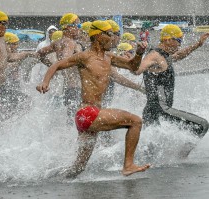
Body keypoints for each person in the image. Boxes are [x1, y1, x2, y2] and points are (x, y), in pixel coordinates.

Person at [37, 20, 150, 178]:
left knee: (78, 168)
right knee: (136, 121)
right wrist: (45, 82)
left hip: (89, 116)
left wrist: (138, 53)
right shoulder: (84, 56)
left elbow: (133, 66)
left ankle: (47, 176)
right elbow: (56, 65)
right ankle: (128, 165)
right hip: (87, 113)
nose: (113, 38)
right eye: (109, 34)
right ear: (97, 36)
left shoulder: (109, 57)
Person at [135, 24, 209, 139]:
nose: (180, 44)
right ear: (168, 40)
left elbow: (179, 55)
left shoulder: (163, 55)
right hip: (161, 109)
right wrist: (138, 54)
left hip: (152, 112)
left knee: (151, 150)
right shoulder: (154, 55)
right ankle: (181, 157)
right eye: (179, 40)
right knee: (202, 125)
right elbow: (137, 70)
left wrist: (198, 44)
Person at [37, 13, 82, 125]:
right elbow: (64, 61)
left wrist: (50, 64)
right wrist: (54, 68)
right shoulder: (70, 42)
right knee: (77, 123)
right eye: (77, 25)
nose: (79, 29)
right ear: (68, 27)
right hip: (75, 89)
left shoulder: (57, 42)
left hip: (67, 89)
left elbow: (39, 54)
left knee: (70, 122)